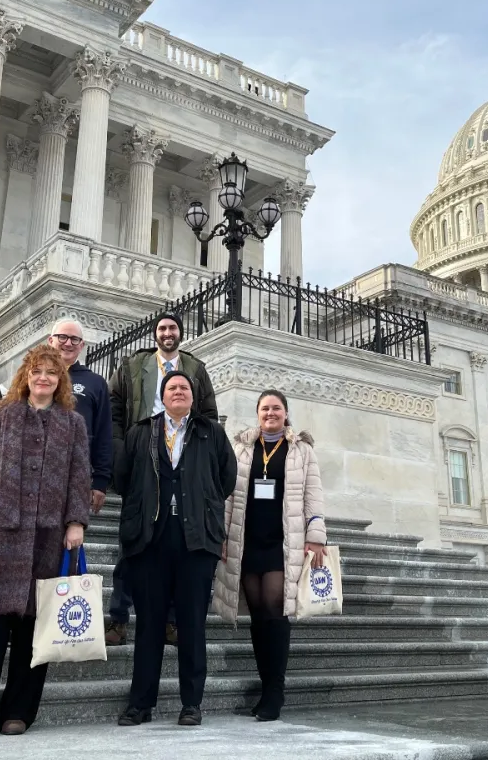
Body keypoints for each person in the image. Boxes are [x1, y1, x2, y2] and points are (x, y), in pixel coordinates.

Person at [0, 344, 90, 738]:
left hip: (49, 536)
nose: (43, 378)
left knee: (34, 629)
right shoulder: (2, 416)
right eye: (37, 372)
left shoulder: (72, 423)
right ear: (26, 376)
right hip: (3, 533)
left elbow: (80, 475)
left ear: (60, 380)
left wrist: (76, 522)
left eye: (51, 373)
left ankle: (19, 712)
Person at [114, 370, 236, 727]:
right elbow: (123, 478)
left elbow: (227, 478)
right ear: (163, 397)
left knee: (192, 624)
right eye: (172, 388)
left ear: (193, 397)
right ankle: (141, 703)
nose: (179, 391)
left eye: (184, 387)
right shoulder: (141, 432)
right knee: (149, 624)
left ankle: (191, 703)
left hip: (196, 541)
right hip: (150, 541)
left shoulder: (211, 432)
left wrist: (204, 505)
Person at [212, 389, 327, 722]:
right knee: (259, 615)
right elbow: (226, 495)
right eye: (265, 408)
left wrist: (316, 535)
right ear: (257, 413)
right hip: (247, 541)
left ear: (286, 413)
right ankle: (266, 686)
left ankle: (275, 690)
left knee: (276, 612)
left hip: (283, 542)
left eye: (276, 408)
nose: (270, 413)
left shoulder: (301, 450)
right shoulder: (243, 448)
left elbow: (313, 495)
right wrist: (220, 534)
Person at [106, 310, 218, 647]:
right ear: (155, 334)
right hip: (143, 455)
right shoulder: (131, 366)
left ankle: (170, 622)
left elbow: (210, 413)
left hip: (182, 460)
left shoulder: (195, 368)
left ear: (180, 334)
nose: (167, 333)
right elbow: (114, 404)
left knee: (177, 542)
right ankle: (119, 619)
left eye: (172, 328)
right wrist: (119, 446)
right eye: (162, 328)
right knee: (132, 542)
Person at [48, 319, 112, 513]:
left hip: (76, 474)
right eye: (62, 337)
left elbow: (104, 432)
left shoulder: (95, 382)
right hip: (34, 469)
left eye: (74, 339)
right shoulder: (33, 376)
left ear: (82, 345)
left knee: (71, 537)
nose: (68, 343)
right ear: (51, 340)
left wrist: (100, 480)